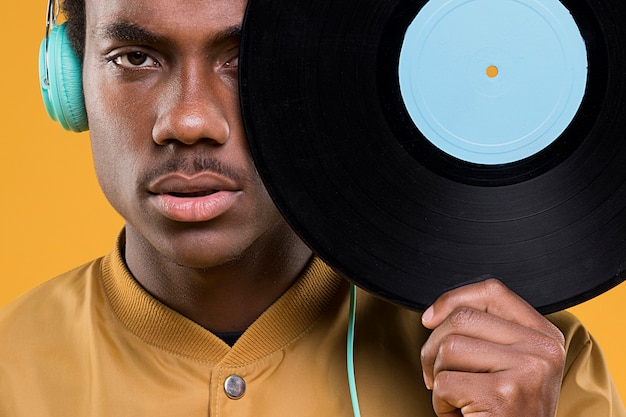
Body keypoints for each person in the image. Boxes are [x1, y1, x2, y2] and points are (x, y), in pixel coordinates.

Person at [0, 0, 624, 415]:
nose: (189, 120)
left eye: (243, 60)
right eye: (134, 58)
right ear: (68, 81)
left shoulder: (530, 369)